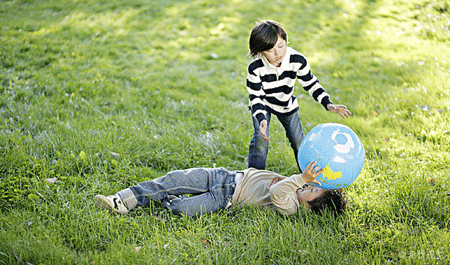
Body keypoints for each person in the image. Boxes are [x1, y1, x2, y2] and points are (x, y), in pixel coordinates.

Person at [246, 20, 352, 171]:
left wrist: (329, 104)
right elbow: (255, 98)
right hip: (264, 106)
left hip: (286, 105)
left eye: (281, 46)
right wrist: (262, 120)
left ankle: (308, 179)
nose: (277, 53)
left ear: (286, 41)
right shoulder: (255, 68)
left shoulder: (297, 60)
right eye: (270, 50)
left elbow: (311, 84)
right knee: (260, 142)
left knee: (299, 143)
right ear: (261, 51)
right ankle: (252, 180)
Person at [94, 161, 347, 217]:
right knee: (173, 177)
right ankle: (122, 200)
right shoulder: (299, 181)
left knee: (183, 209)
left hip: (224, 197)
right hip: (224, 176)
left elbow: (278, 192)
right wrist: (307, 177)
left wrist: (299, 178)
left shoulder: (291, 207)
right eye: (312, 184)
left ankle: (169, 199)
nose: (308, 184)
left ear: (310, 206)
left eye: (313, 190)